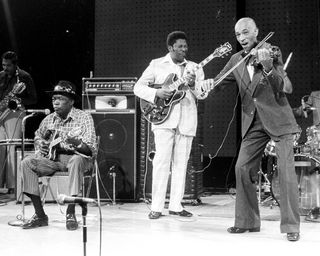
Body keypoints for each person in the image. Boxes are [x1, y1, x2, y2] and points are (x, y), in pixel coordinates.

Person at [208, 18, 301, 241]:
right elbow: (218, 83)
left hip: (278, 119)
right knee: (241, 168)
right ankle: (247, 222)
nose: (242, 38)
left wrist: (268, 66)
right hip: (253, 122)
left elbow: (284, 87)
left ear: (257, 32)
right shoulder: (235, 60)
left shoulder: (271, 51)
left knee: (287, 172)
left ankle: (291, 227)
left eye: (246, 32)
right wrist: (202, 83)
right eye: (238, 34)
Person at [134, 31, 211, 219]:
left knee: (181, 164)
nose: (184, 50)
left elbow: (202, 95)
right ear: (170, 48)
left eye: (186, 46)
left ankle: (176, 205)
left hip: (186, 120)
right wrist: (156, 94)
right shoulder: (156, 64)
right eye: (180, 47)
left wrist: (193, 85)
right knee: (161, 163)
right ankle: (156, 207)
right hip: (163, 119)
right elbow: (138, 87)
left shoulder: (195, 67)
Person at [20, 80, 97, 230]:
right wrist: (40, 142)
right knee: (26, 163)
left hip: (79, 159)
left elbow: (90, 150)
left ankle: (70, 212)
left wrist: (75, 142)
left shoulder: (84, 118)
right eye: (54, 99)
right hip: (54, 159)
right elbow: (37, 135)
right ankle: (40, 215)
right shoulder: (49, 119)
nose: (55, 102)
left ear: (71, 101)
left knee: (75, 160)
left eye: (60, 99)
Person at [0, 51, 37, 193]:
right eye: (3, 64)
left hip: (14, 113)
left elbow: (33, 98)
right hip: (1, 112)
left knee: (11, 148)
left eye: (8, 65)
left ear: (15, 65)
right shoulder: (1, 76)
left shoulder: (24, 76)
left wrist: (17, 100)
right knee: (1, 148)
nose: (5, 68)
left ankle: (12, 186)